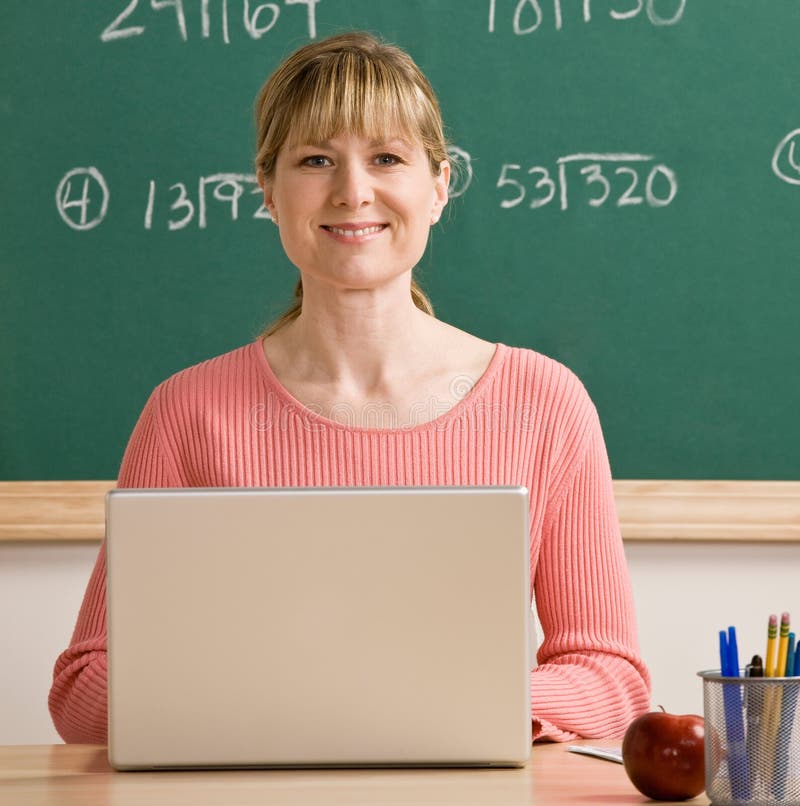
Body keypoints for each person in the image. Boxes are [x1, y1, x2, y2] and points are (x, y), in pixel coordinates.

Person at [49, 31, 650, 744]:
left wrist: (428, 704)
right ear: (268, 190)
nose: (353, 192)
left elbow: (611, 681)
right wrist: (316, 702)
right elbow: (85, 691)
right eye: (315, 160)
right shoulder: (188, 413)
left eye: (387, 158)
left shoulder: (544, 404)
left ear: (439, 185)